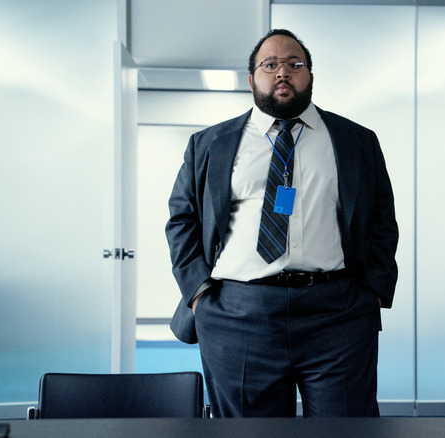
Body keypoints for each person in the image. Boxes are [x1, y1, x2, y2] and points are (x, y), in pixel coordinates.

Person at [165, 29, 399, 418]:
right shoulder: (210, 143)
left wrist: (372, 291)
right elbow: (181, 219)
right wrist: (199, 293)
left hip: (337, 314)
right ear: (251, 78)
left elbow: (381, 220)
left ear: (310, 75)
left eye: (294, 64)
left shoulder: (356, 140)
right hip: (238, 313)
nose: (282, 73)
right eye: (269, 64)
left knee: (346, 431)